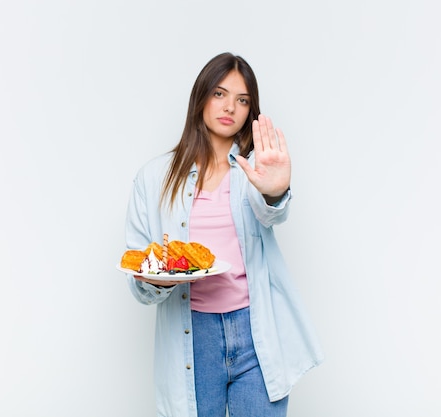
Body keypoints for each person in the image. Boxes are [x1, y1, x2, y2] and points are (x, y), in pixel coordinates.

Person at [123, 52, 323, 417]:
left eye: (242, 100)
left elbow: (272, 212)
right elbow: (140, 277)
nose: (230, 106)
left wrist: (275, 191)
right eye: (219, 93)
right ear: (200, 98)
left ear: (250, 110)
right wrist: (158, 279)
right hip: (192, 339)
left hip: (255, 335)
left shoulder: (254, 171)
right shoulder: (152, 179)